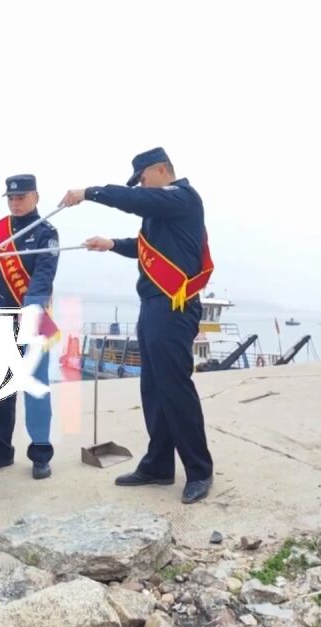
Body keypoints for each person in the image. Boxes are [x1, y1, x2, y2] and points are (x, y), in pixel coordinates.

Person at [61, 147, 215, 504]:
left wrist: (89, 192)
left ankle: (199, 470)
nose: (142, 186)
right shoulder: (165, 210)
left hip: (174, 307)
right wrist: (111, 244)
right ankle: (159, 466)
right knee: (153, 388)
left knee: (175, 388)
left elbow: (132, 200)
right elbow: (145, 245)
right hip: (153, 306)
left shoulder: (183, 198)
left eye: (144, 178)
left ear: (162, 170)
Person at [0, 174, 59, 480]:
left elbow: (45, 274)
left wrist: (30, 306)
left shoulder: (47, 232)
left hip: (35, 318)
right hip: (3, 316)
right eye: (11, 198)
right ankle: (1, 451)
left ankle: (41, 454)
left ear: (35, 197)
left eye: (21, 198)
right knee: (0, 389)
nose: (15, 203)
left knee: (36, 389)